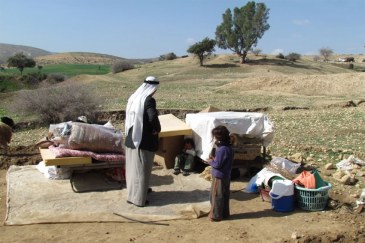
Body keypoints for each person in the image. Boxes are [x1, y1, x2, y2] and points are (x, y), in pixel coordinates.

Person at [124, 76, 161, 207]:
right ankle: (138, 199)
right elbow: (152, 117)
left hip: (131, 137)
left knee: (132, 169)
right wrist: (157, 129)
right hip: (142, 140)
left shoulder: (134, 97)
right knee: (142, 169)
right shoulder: (148, 100)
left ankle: (134, 192)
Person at [206, 125, 234, 221]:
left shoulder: (222, 149)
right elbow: (223, 161)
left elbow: (217, 164)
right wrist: (215, 159)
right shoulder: (229, 147)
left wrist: (210, 161)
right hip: (226, 175)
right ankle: (224, 214)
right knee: (224, 195)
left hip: (219, 176)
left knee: (215, 196)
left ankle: (216, 215)